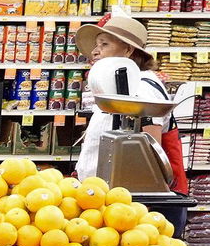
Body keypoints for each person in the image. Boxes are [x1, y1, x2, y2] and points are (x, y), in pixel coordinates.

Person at [75, 13, 188, 199]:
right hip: (106, 194)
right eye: (97, 44)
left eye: (104, 44)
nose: (95, 51)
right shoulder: (118, 85)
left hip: (133, 201)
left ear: (128, 51)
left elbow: (150, 155)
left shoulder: (142, 88)